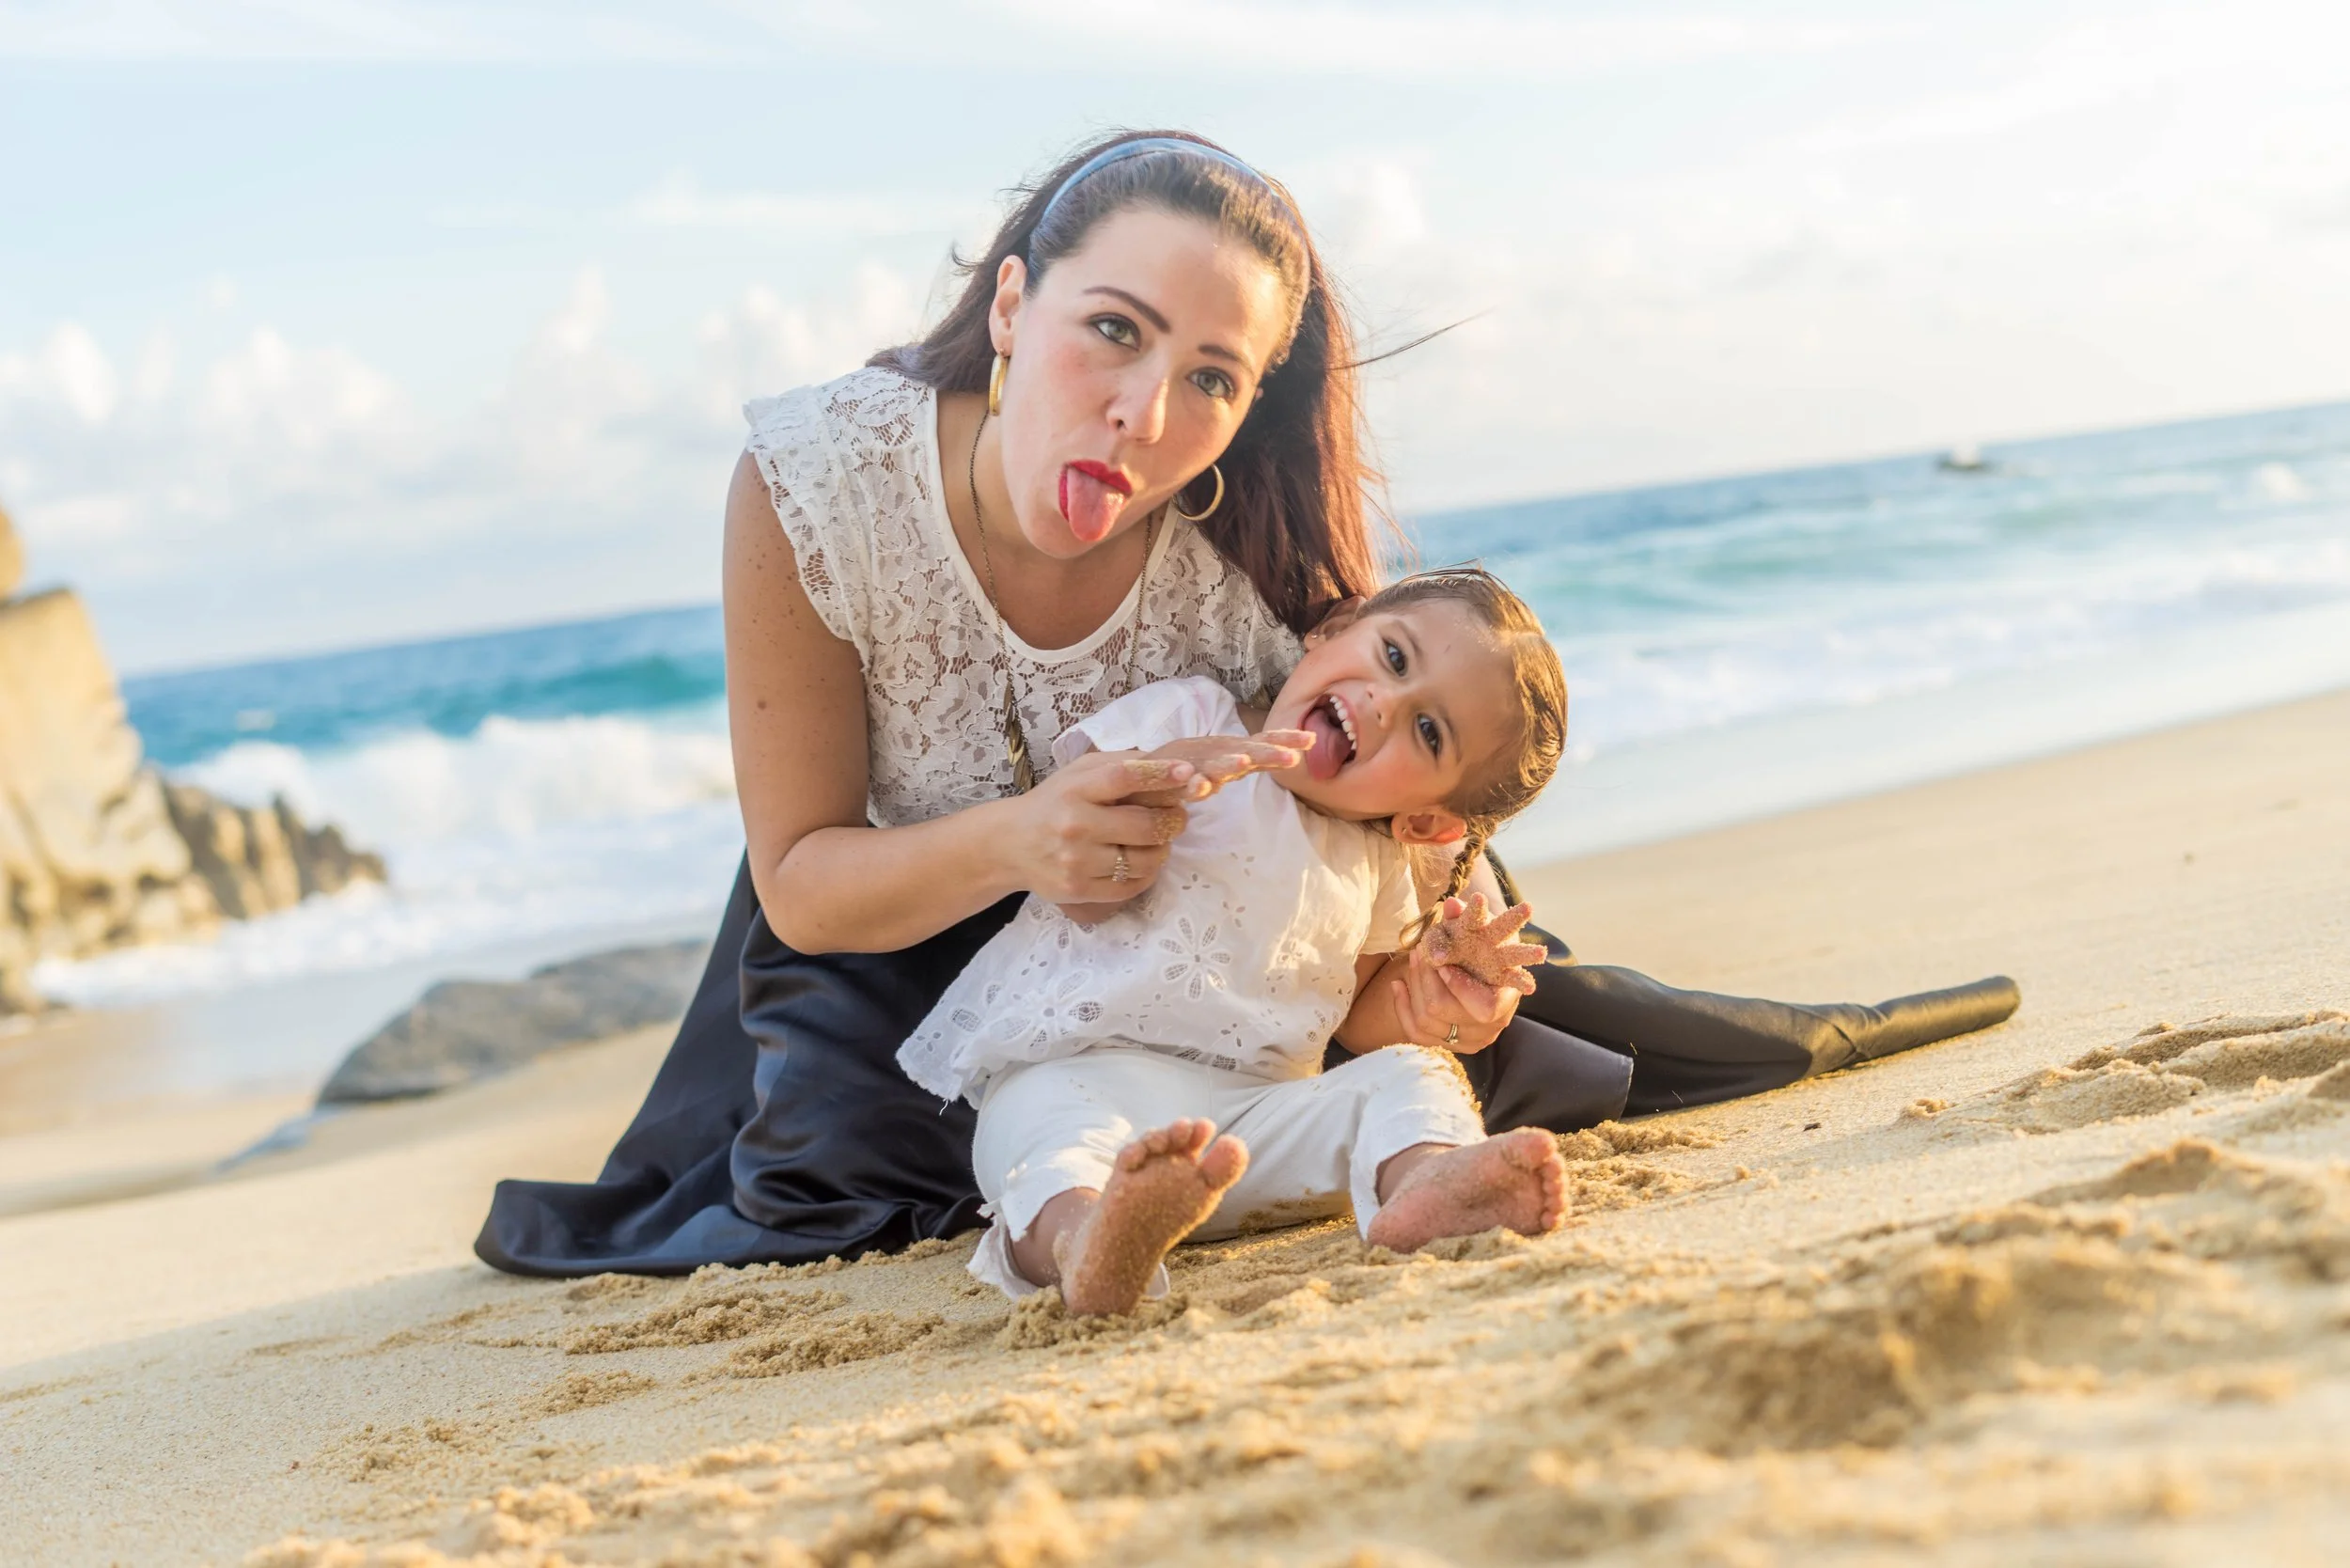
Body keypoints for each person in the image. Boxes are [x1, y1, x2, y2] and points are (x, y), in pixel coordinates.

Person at [476, 132, 2017, 1278]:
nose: (1145, 413)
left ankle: (1380, 1161)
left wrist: (1437, 966)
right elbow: (801, 881)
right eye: (1113, 331)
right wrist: (1024, 836)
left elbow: (1368, 811)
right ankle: (1086, 1213)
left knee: (1497, 1037)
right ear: (1013, 304)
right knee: (844, 1191)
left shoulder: (1237, 564)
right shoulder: (820, 481)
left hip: (1183, 938)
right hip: (884, 929)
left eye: (1213, 376)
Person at [911, 568, 1570, 1313]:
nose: (1385, 702)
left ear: (1426, 824)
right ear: (1333, 631)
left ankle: (1424, 1183)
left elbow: (1356, 1015)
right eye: (1393, 656)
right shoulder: (1191, 717)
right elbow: (1074, 880)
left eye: (1427, 731)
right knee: (1045, 1140)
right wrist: (1161, 780)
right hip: (1079, 1069)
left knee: (1413, 1074)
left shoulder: (1380, 863)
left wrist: (1430, 995)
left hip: (1257, 1121)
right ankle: (1087, 1242)